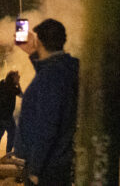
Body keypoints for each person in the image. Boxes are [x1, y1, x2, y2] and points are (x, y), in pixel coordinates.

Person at [16, 18, 80, 186]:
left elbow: (47, 126)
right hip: (59, 163)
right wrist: (33, 54)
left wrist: (35, 170)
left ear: (39, 41)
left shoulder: (50, 77)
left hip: (48, 168)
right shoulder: (65, 68)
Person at [0, 70, 21, 158]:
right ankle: (8, 153)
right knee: (12, 132)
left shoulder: (1, 83)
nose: (19, 79)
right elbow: (21, 95)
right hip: (7, 114)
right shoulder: (12, 88)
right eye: (17, 77)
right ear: (13, 78)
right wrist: (18, 84)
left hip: (0, 112)